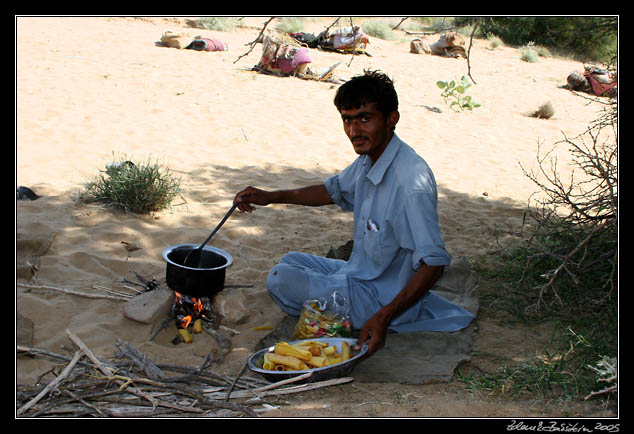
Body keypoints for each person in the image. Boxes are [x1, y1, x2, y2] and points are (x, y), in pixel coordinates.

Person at [234, 70, 474, 357]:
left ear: (391, 119)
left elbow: (433, 264)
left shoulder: (411, 183)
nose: (354, 131)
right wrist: (270, 197)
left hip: (380, 297)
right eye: (347, 119)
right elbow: (331, 191)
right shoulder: (370, 159)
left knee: (280, 279)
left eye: (364, 118)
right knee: (290, 261)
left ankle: (377, 316)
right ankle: (339, 299)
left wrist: (384, 316)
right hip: (360, 273)